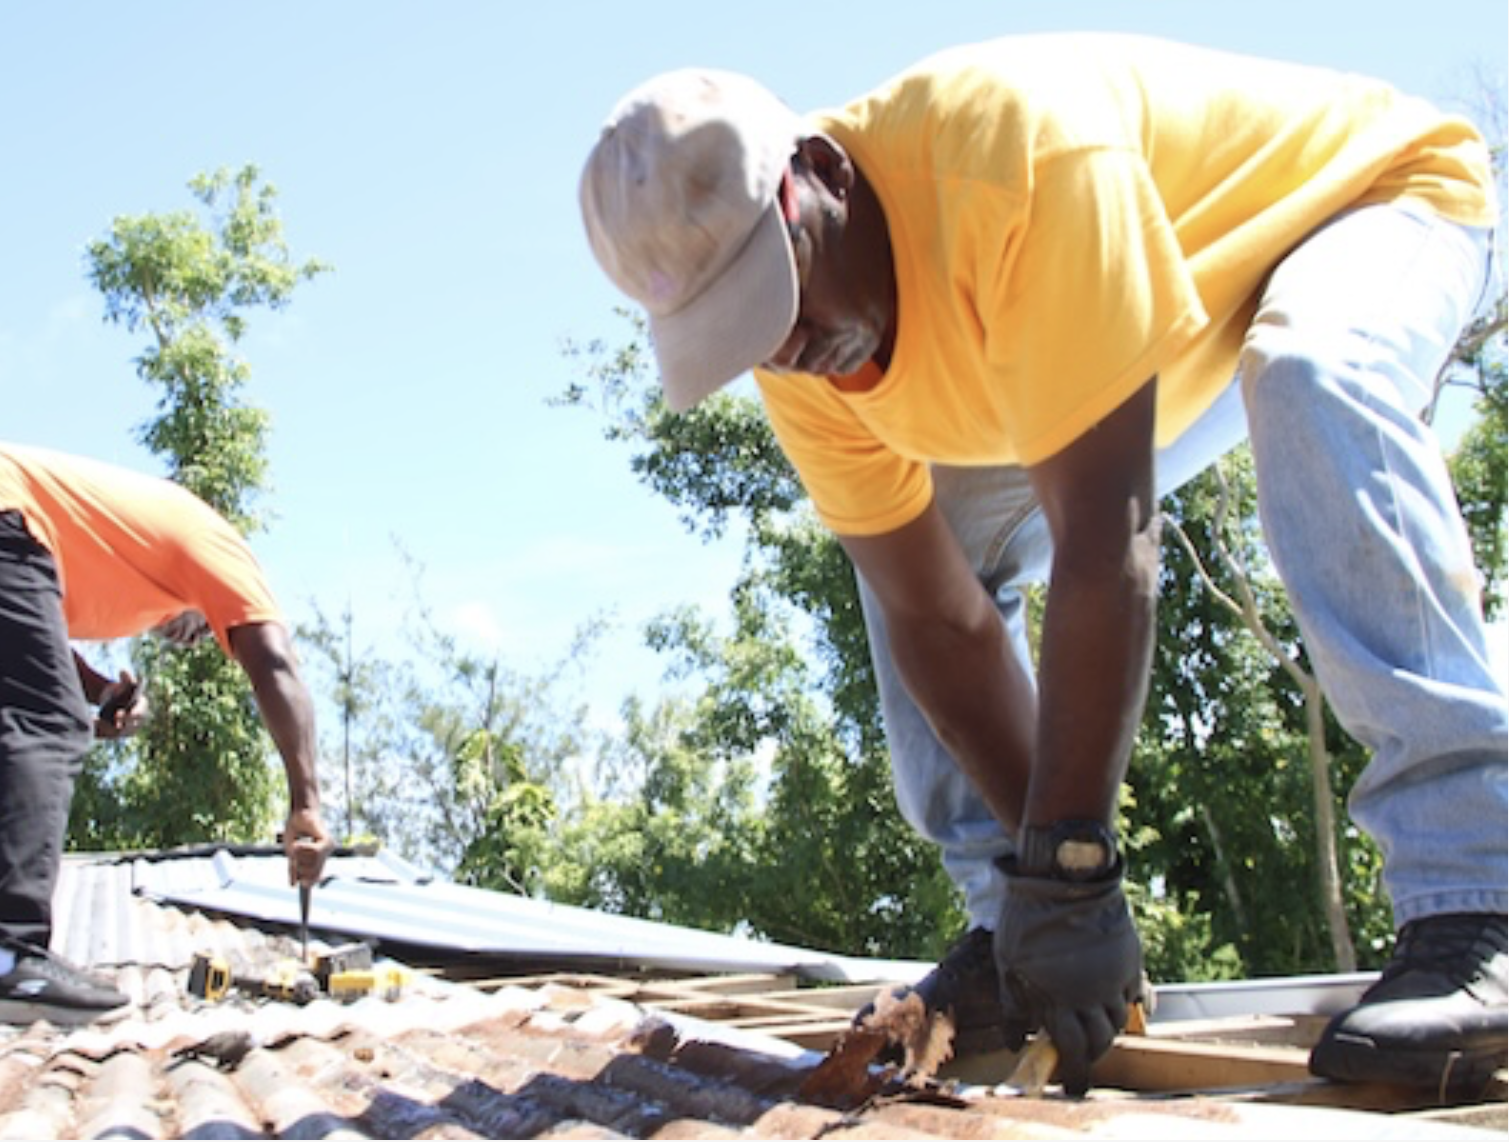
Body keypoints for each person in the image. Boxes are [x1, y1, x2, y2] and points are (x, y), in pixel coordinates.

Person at [579, 32, 1506, 1097]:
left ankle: (1481, 892)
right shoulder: (797, 352)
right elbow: (935, 613)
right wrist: (1046, 893)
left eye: (783, 297)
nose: (790, 348)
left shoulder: (1016, 164)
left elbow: (1109, 540)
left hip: (1376, 201)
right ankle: (1007, 926)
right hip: (1175, 306)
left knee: (1311, 370)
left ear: (824, 173)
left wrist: (1077, 856)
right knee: (913, 557)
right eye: (749, 333)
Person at [0, 439, 334, 1026]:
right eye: (209, 629)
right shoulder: (220, 548)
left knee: (17, 717)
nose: (200, 639)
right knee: (42, 721)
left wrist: (99, 694)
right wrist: (306, 804)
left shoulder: (119, 573)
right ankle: (4, 954)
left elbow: (28, 650)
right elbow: (275, 664)